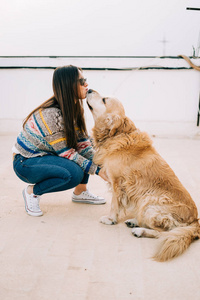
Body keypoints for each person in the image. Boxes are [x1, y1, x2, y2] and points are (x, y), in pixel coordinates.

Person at [12, 65, 108, 217]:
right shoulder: (51, 115)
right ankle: (32, 192)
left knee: (88, 147)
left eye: (85, 80)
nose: (86, 85)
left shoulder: (75, 109)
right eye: (81, 81)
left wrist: (105, 165)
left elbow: (84, 146)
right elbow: (67, 154)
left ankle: (80, 192)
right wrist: (98, 170)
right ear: (69, 84)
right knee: (72, 174)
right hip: (26, 162)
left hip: (47, 156)